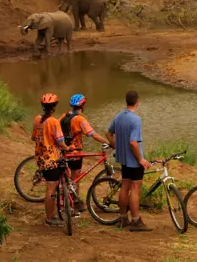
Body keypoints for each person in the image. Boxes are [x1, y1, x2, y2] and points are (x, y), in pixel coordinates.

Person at [106, 90, 152, 231]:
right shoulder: (136, 120)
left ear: (127, 101)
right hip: (134, 161)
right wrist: (141, 159)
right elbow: (133, 142)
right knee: (135, 189)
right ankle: (136, 220)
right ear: (137, 102)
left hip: (124, 160)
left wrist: (116, 146)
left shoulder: (119, 116)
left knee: (125, 187)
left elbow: (108, 133)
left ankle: (122, 217)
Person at [59, 93, 109, 211]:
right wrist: (107, 141)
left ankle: (65, 197)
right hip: (76, 153)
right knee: (76, 178)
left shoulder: (63, 116)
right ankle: (75, 202)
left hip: (63, 150)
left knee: (66, 176)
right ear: (83, 105)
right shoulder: (80, 119)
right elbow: (93, 134)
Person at [31, 93, 70, 226]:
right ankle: (50, 218)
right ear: (54, 107)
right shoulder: (54, 122)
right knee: (51, 188)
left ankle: (53, 213)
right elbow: (60, 141)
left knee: (50, 186)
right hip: (52, 159)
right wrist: (68, 148)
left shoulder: (37, 119)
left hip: (41, 158)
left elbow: (34, 137)